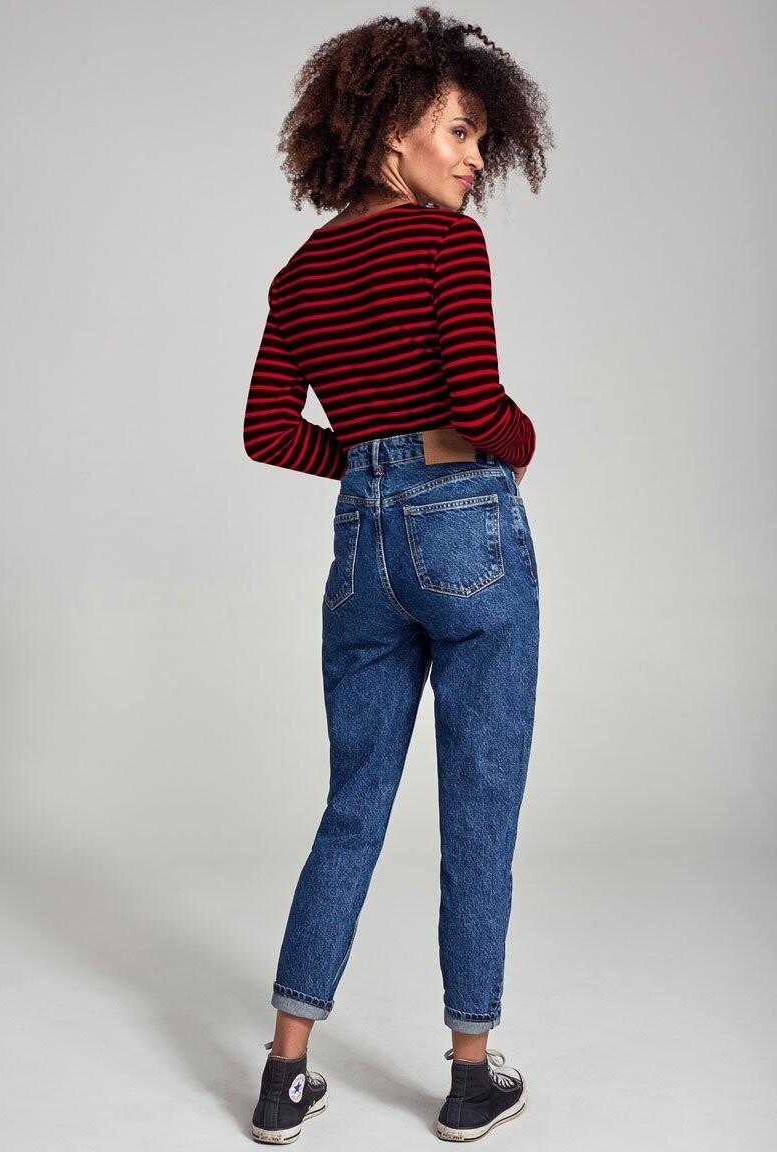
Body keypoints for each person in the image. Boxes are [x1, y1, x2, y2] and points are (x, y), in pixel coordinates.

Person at [243, 5, 554, 1142]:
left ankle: (284, 1074)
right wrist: (520, 443)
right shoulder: (445, 244)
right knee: (478, 809)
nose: (473, 162)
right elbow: (474, 400)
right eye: (459, 132)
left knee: (351, 808)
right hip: (464, 530)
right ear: (392, 134)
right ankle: (469, 1078)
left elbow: (266, 430)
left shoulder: (299, 273)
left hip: (361, 550)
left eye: (480, 139)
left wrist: (368, 467)